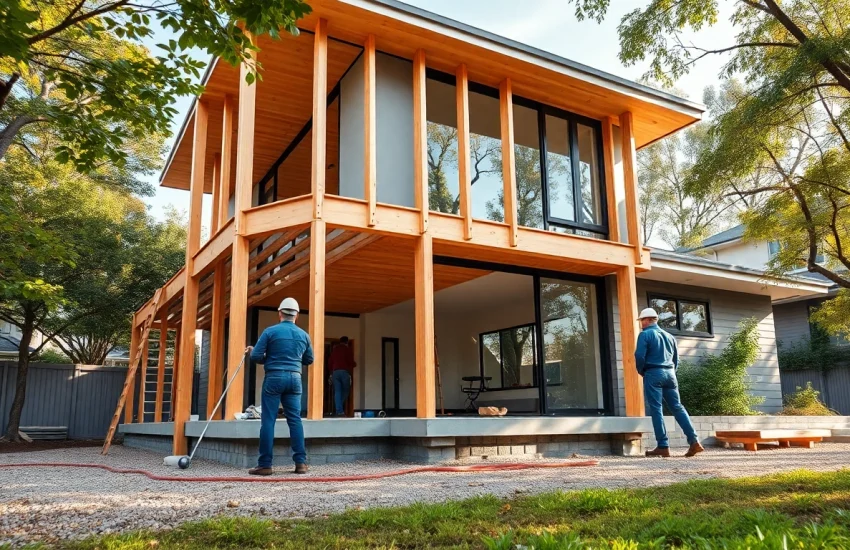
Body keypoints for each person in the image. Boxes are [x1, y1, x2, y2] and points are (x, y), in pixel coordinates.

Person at [245, 297, 313, 475]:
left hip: (274, 378)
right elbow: (309, 359)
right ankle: (301, 463)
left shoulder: (270, 332)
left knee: (268, 420)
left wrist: (265, 354)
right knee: (295, 420)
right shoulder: (304, 335)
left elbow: (256, 357)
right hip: (295, 379)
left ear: (280, 313)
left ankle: (265, 465)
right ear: (296, 315)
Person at [635, 308, 704, 458]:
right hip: (671, 374)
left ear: (647, 320)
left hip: (653, 372)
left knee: (656, 409)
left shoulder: (645, 334)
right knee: (678, 407)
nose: (641, 324)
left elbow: (639, 356)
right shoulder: (670, 336)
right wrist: (672, 372)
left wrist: (642, 371)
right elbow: (676, 360)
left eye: (641, 321)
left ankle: (663, 446)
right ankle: (694, 441)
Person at [328, 336, 356, 416]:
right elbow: (350, 361)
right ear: (346, 342)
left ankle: (339, 410)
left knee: (337, 392)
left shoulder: (334, 350)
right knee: (346, 391)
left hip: (335, 372)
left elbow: (330, 362)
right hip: (344, 372)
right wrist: (354, 364)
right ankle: (339, 407)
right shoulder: (347, 350)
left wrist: (331, 372)